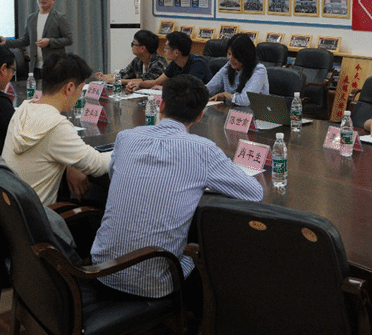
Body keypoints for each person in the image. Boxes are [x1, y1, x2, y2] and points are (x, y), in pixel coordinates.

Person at [91, 74, 263, 298]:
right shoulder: (203, 150)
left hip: (101, 270)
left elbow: (114, 176)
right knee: (206, 250)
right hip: (154, 284)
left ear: (161, 105)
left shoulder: (126, 137)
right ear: (200, 116)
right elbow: (254, 192)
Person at [1, 52, 111, 206]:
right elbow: (97, 165)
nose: (79, 95)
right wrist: (124, 147)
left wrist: (70, 163)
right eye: (80, 89)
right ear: (69, 88)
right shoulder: (56, 127)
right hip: (40, 216)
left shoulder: (23, 110)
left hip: (11, 211)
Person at [0, 0, 73, 77]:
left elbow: (68, 39)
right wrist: (6, 42)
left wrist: (49, 42)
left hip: (55, 67)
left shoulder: (59, 18)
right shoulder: (31, 19)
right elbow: (25, 41)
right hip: (35, 68)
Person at [127, 31, 212, 92]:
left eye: (166, 48)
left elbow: (187, 89)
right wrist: (138, 85)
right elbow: (156, 82)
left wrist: (165, 88)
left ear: (176, 52)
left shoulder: (198, 64)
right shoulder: (175, 63)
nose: (164, 51)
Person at [206, 33, 269, 105]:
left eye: (235, 56)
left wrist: (225, 95)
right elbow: (210, 88)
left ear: (246, 55)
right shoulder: (229, 65)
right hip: (231, 110)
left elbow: (245, 100)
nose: (230, 58)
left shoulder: (259, 70)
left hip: (252, 111)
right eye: (229, 54)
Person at [96, 30, 166, 87]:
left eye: (133, 44)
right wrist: (104, 76)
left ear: (142, 48)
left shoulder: (159, 62)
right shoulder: (137, 60)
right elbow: (124, 74)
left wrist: (115, 81)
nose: (132, 46)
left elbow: (143, 81)